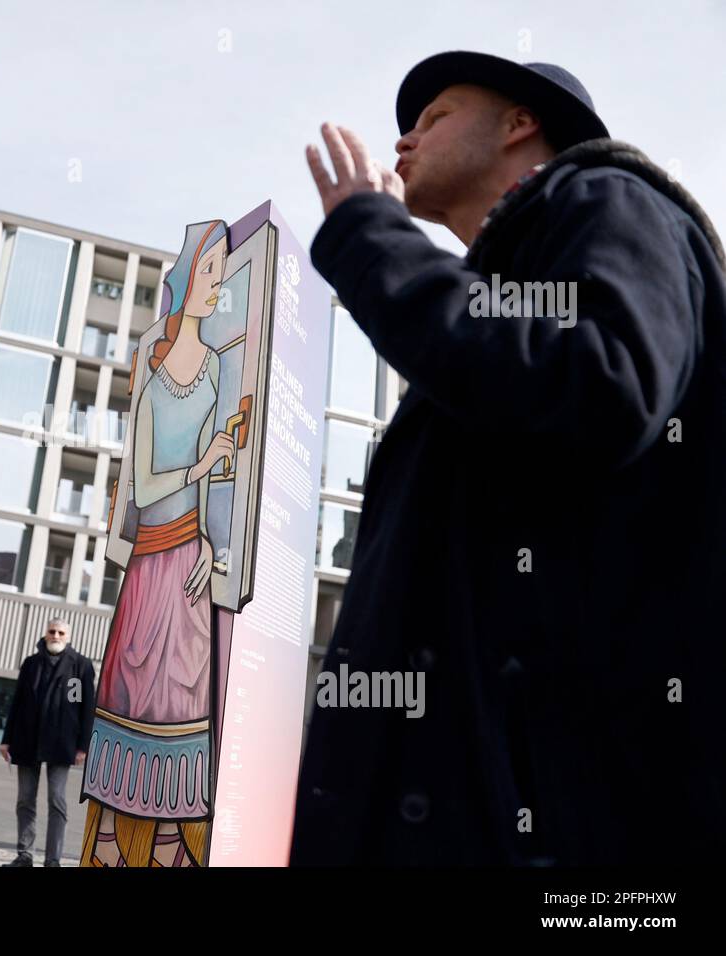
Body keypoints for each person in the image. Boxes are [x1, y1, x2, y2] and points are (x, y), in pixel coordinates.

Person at [292, 52, 726, 865]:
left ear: (521, 122)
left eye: (437, 117)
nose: (405, 139)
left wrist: (372, 241)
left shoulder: (608, 198)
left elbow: (602, 382)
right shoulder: (506, 283)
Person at [80, 220, 233, 868]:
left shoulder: (220, 366)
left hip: (189, 552)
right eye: (207, 269)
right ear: (183, 276)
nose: (215, 283)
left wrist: (210, 540)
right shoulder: (154, 369)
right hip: (150, 554)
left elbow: (216, 471)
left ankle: (174, 844)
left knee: (186, 694)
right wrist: (202, 470)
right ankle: (114, 842)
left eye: (222, 272)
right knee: (137, 688)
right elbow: (142, 482)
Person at [2, 619, 95, 867]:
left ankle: (52, 859)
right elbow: (17, 702)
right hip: (26, 740)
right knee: (25, 800)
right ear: (45, 634)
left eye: (61, 632)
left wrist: (83, 746)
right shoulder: (31, 664)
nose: (56, 635)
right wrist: (6, 739)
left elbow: (85, 709)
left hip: (61, 742)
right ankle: (24, 854)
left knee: (57, 800)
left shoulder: (80, 667)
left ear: (68, 637)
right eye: (52, 631)